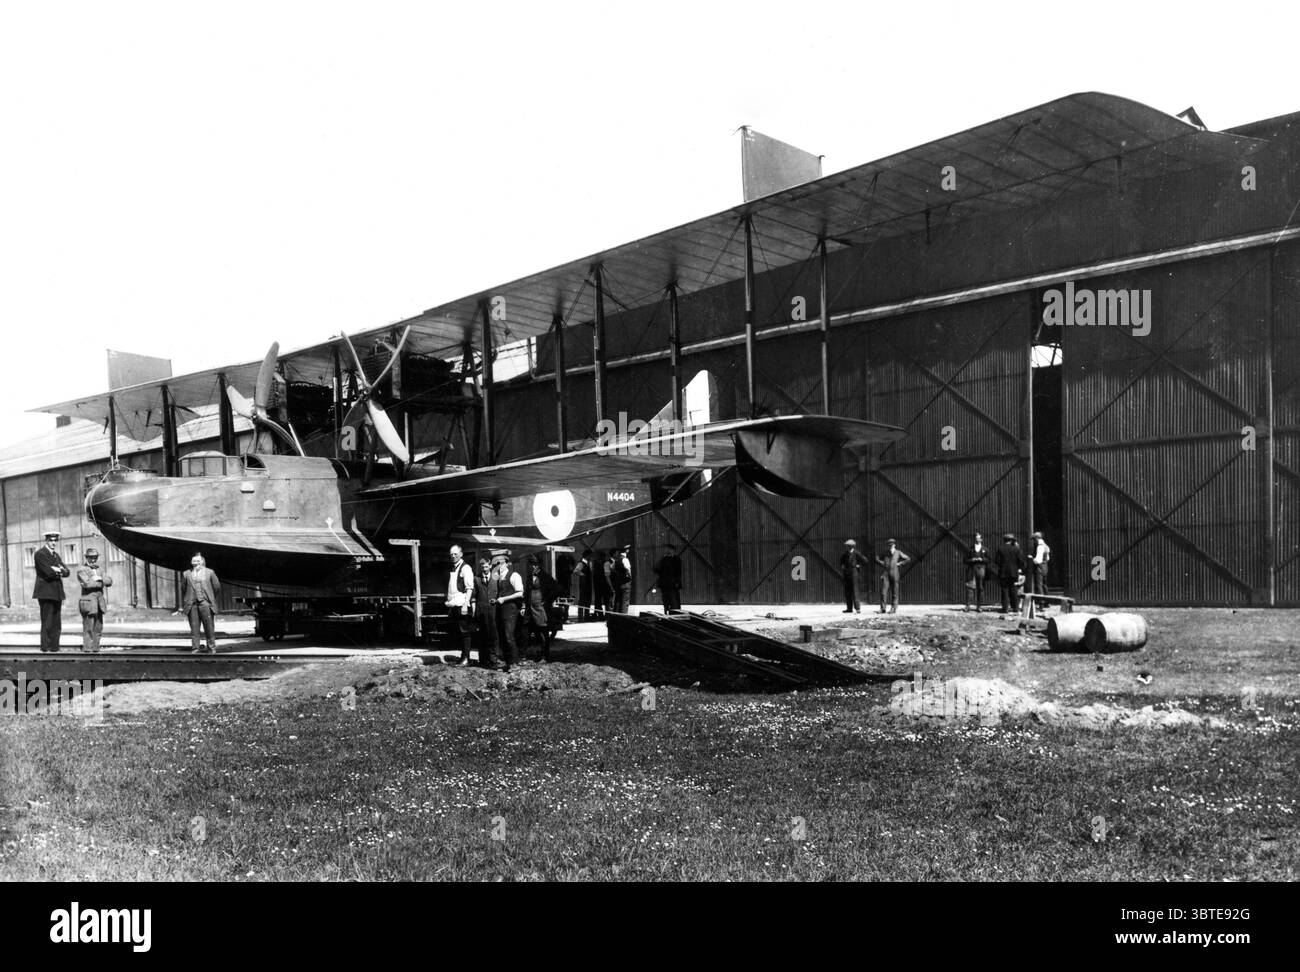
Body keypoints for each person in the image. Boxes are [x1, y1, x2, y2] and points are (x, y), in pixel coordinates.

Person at [33, 530, 70, 652]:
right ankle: (45, 648)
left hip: (57, 593)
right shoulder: (40, 554)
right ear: (46, 541)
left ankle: (55, 647)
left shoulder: (56, 555)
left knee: (56, 623)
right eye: (51, 541)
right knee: (47, 621)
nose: (53, 543)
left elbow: (67, 572)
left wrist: (57, 570)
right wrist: (59, 570)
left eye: (55, 541)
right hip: (46, 593)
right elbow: (48, 573)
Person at [489, 553, 524, 671]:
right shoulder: (499, 577)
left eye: (501, 563)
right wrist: (497, 599)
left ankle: (514, 663)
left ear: (507, 563)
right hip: (501, 610)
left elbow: (520, 593)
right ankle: (508, 663)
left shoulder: (514, 575)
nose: (499, 566)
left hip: (511, 610)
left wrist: (504, 599)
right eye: (496, 564)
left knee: (509, 636)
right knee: (502, 636)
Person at [181, 553, 222, 653]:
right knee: (194, 629)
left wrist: (209, 599)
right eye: (194, 561)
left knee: (209, 627)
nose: (196, 563)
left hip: (205, 604)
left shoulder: (210, 573)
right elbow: (183, 589)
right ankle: (195, 649)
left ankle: (211, 648)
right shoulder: (186, 574)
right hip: (192, 605)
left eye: (198, 561)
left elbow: (217, 587)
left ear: (202, 562)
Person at [523, 555, 561, 661]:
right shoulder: (530, 576)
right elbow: (527, 592)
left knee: (543, 632)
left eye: (534, 565)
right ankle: (524, 655)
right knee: (529, 632)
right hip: (530, 609)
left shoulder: (544, 576)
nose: (533, 567)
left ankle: (545, 656)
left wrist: (547, 601)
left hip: (541, 609)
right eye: (531, 565)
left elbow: (556, 589)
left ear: (537, 565)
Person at [75, 547, 113, 653]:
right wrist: (101, 582)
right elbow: (87, 584)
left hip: (99, 603)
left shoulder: (100, 569)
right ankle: (88, 649)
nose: (93, 560)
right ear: (86, 557)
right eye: (91, 558)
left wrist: (99, 579)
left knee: (98, 627)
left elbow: (109, 581)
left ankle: (96, 649)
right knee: (88, 627)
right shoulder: (82, 569)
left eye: (95, 558)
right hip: (88, 602)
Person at [445, 544, 476, 666]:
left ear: (461, 554)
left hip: (462, 603)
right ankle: (462, 657)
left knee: (464, 632)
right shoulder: (454, 568)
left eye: (455, 554)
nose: (453, 556)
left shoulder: (465, 568)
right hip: (454, 604)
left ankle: (466, 659)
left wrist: (464, 605)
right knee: (458, 632)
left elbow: (469, 588)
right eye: (451, 554)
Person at [473, 557, 499, 668]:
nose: (484, 568)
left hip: (493, 611)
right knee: (482, 636)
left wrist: (497, 600)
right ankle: (482, 661)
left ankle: (493, 660)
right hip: (481, 611)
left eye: (486, 566)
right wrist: (475, 609)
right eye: (482, 567)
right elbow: (474, 595)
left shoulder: (496, 578)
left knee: (493, 636)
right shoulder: (476, 579)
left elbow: (500, 592)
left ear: (490, 566)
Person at [993, 533, 1027, 615]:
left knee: (1004, 590)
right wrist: (1018, 568)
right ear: (1011, 540)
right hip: (1013, 573)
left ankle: (1005, 608)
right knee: (1013, 590)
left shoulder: (1000, 549)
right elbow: (1021, 561)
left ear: (1004, 540)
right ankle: (1015, 608)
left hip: (1003, 573)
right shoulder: (1016, 549)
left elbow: (997, 561)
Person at [875, 539, 912, 614]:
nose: (890, 546)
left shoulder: (898, 552)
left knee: (895, 592)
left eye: (891, 545)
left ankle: (893, 608)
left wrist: (900, 564)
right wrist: (883, 564)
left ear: (894, 545)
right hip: (886, 574)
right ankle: (883, 608)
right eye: (889, 545)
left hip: (895, 573)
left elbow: (908, 559)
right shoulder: (885, 553)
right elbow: (876, 558)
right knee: (883, 592)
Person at [839, 539, 869, 613]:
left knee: (855, 591)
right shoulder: (845, 554)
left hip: (854, 574)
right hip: (847, 574)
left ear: (853, 546)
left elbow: (865, 560)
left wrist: (859, 566)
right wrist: (843, 567)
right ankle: (849, 609)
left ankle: (857, 608)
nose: (848, 547)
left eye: (849, 546)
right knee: (847, 592)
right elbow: (841, 562)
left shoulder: (856, 553)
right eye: (847, 546)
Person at [963, 533, 989, 612]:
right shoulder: (970, 549)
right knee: (970, 587)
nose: (977, 540)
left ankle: (979, 606)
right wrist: (972, 560)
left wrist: (982, 559)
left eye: (978, 538)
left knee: (981, 588)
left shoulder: (985, 549)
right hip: (972, 569)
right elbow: (965, 560)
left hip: (981, 569)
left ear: (981, 539)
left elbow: (989, 560)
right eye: (976, 538)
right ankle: (968, 606)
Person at [654, 544, 683, 614]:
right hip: (664, 585)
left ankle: (675, 615)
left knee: (674, 602)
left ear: (673, 550)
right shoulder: (663, 559)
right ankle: (666, 613)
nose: (667, 551)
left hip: (672, 585)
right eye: (667, 549)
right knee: (666, 601)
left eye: (669, 549)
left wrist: (676, 582)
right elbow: (657, 569)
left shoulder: (677, 559)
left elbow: (677, 572)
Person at [611, 545, 633, 614]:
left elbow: (612, 568)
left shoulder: (616, 560)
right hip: (625, 582)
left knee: (618, 600)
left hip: (618, 582)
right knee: (625, 601)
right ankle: (624, 616)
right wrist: (629, 577)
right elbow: (628, 569)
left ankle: (617, 616)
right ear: (626, 551)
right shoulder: (625, 559)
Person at [574, 549, 594, 621]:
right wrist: (583, 575)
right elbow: (576, 571)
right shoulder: (581, 563)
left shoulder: (589, 563)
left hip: (588, 583)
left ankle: (586, 616)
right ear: (587, 556)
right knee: (582, 599)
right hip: (583, 583)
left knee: (588, 600)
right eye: (590, 556)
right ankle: (580, 616)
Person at [1030, 531, 1051, 595]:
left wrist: (1032, 558)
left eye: (1034, 540)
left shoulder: (1040, 547)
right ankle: (1047, 601)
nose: (1034, 542)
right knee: (1044, 584)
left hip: (1039, 567)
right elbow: (1048, 558)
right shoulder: (1045, 546)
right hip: (1045, 566)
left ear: (1036, 539)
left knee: (1039, 585)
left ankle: (1041, 602)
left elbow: (1038, 560)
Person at [593, 549, 613, 617]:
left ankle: (601, 614)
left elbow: (594, 574)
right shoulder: (604, 563)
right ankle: (604, 614)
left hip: (599, 584)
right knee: (605, 600)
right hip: (603, 584)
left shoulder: (595, 563)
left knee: (599, 600)